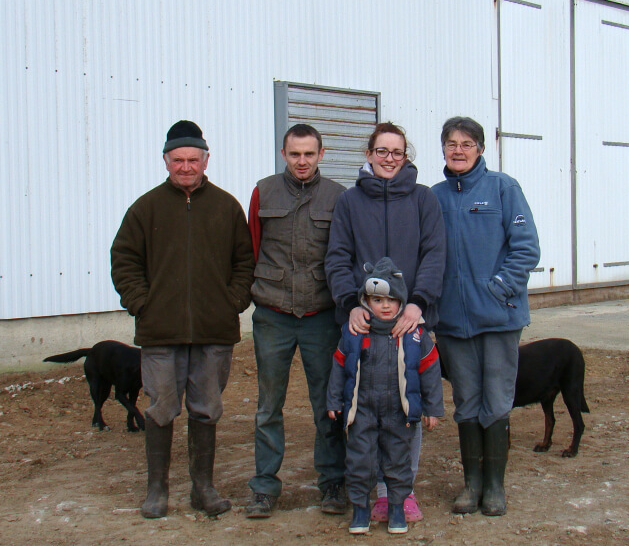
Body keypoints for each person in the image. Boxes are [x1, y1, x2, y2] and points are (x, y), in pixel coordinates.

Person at [110, 120, 255, 519]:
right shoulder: (145, 208)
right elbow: (124, 260)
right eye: (179, 160)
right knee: (160, 409)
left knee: (206, 408)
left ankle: (202, 488)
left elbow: (244, 261)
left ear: (206, 160)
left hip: (214, 330)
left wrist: (232, 302)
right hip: (161, 333)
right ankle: (157, 490)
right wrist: (143, 303)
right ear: (166, 160)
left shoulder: (226, 207)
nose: (186, 167)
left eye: (193, 160)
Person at [325, 122, 446, 522]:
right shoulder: (349, 202)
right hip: (365, 327)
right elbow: (338, 257)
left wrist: (418, 305)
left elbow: (434, 255)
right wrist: (350, 305)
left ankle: (402, 491)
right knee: (367, 410)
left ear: (406, 155)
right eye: (382, 151)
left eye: (397, 151)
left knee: (403, 404)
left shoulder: (424, 200)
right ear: (369, 154)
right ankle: (374, 491)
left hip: (406, 324)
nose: (389, 158)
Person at [431, 116, 540, 516]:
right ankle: (471, 484)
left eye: (466, 143)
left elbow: (526, 248)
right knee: (466, 401)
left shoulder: (503, 188)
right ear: (442, 149)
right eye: (451, 143)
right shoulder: (435, 197)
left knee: (496, 400)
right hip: (453, 323)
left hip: (497, 318)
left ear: (480, 149)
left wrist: (498, 288)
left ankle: (495, 486)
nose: (458, 150)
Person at [244, 124, 348, 518]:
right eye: (294, 154)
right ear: (283, 154)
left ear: (321, 154)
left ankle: (333, 483)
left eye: (309, 154)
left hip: (321, 317)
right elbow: (251, 247)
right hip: (273, 315)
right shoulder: (262, 191)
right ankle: (264, 488)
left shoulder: (339, 197)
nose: (301, 161)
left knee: (328, 404)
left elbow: (344, 254)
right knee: (269, 406)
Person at [326, 257, 443, 535]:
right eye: (378, 301)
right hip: (362, 411)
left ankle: (396, 509)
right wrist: (333, 401)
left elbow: (429, 371)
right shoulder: (355, 333)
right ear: (366, 302)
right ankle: (361, 510)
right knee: (359, 461)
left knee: (398, 461)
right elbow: (340, 366)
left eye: (391, 300)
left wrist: (432, 408)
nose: (385, 306)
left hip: (398, 413)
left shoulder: (414, 335)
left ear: (402, 302)